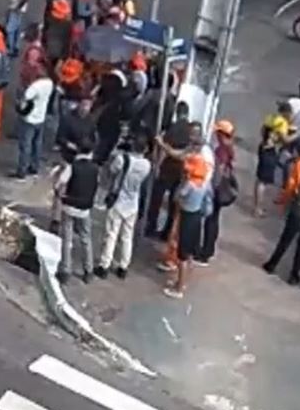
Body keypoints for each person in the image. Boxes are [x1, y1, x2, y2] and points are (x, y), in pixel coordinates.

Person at [95, 133, 152, 279]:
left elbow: (111, 170)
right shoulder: (146, 165)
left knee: (111, 234)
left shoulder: (122, 160)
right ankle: (123, 266)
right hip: (133, 203)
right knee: (127, 236)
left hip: (118, 200)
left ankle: (104, 265)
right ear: (145, 149)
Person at [162, 152, 213, 299]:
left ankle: (179, 289)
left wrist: (183, 182)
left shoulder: (190, 185)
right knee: (189, 253)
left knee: (182, 255)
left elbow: (177, 196)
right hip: (196, 217)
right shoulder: (205, 184)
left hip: (187, 217)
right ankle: (182, 282)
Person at [263, 137, 300, 285]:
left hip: (299, 207)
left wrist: (284, 203)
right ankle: (294, 275)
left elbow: (290, 186)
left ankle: (272, 264)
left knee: (286, 239)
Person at [144, 101, 192, 238]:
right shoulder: (190, 129)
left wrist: (157, 165)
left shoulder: (173, 128)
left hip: (168, 167)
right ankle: (167, 231)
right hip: (182, 170)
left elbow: (163, 150)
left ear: (177, 112)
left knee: (157, 198)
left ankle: (151, 225)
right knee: (173, 201)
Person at [55, 139, 100, 284]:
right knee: (86, 239)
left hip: (69, 206)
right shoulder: (95, 168)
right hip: (85, 208)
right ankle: (88, 271)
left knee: (67, 239)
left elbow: (60, 182)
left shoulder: (73, 166)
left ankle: (65, 271)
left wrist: (59, 194)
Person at [200, 120, 236, 265]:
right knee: (214, 219)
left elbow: (219, 170)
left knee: (211, 220)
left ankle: (206, 252)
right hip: (223, 188)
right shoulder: (229, 148)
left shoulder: (221, 150)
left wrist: (211, 187)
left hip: (217, 188)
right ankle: (209, 250)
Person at [14, 64, 55, 178]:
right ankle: (34, 167)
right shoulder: (49, 83)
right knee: (37, 144)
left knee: (25, 145)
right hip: (40, 118)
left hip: (29, 118)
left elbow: (25, 97)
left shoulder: (35, 86)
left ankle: (22, 170)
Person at [255, 102, 293, 217]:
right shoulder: (282, 123)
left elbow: (262, 130)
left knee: (259, 179)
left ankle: (257, 206)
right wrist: (296, 136)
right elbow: (285, 140)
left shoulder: (271, 118)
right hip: (270, 150)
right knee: (263, 181)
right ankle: (258, 209)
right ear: (286, 112)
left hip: (263, 147)